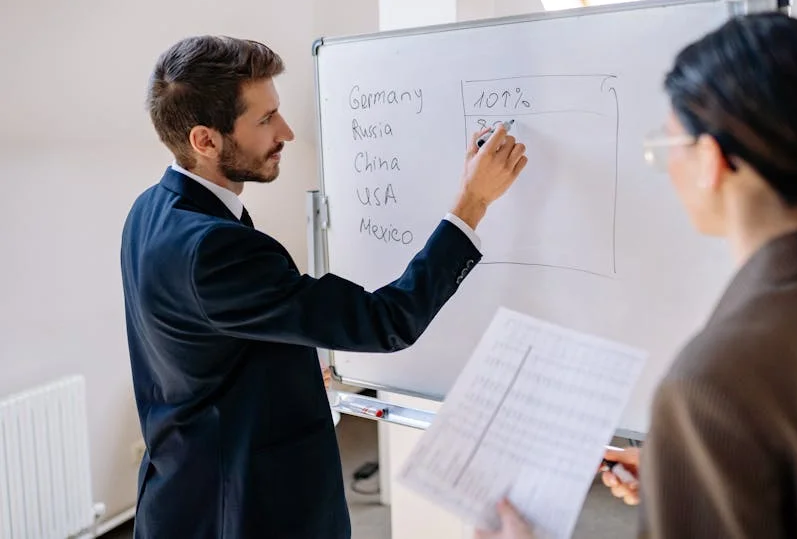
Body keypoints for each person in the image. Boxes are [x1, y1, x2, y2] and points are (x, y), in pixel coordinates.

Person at [475, 12, 797, 538]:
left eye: (668, 146)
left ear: (710, 159)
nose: (667, 167)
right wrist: (686, 479)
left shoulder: (712, 380)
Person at [121, 35, 528, 539]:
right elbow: (388, 321)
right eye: (265, 119)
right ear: (205, 141)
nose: (287, 132)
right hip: (241, 512)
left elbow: (204, 349)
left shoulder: (149, 210)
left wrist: (289, 374)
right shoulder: (214, 248)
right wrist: (472, 203)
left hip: (185, 492)